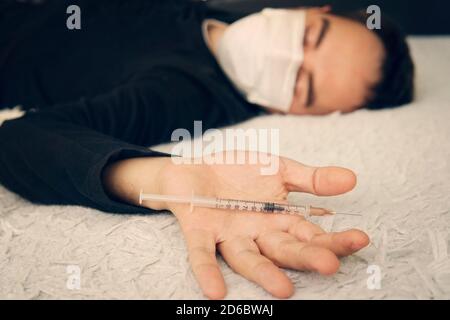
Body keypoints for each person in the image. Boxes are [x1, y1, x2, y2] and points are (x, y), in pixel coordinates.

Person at [0, 0, 414, 299]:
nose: (284, 57)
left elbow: (21, 139)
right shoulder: (221, 15)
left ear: (292, 113)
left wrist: (163, 177)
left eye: (301, 85)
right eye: (308, 36)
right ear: (315, 10)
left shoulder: (180, 92)